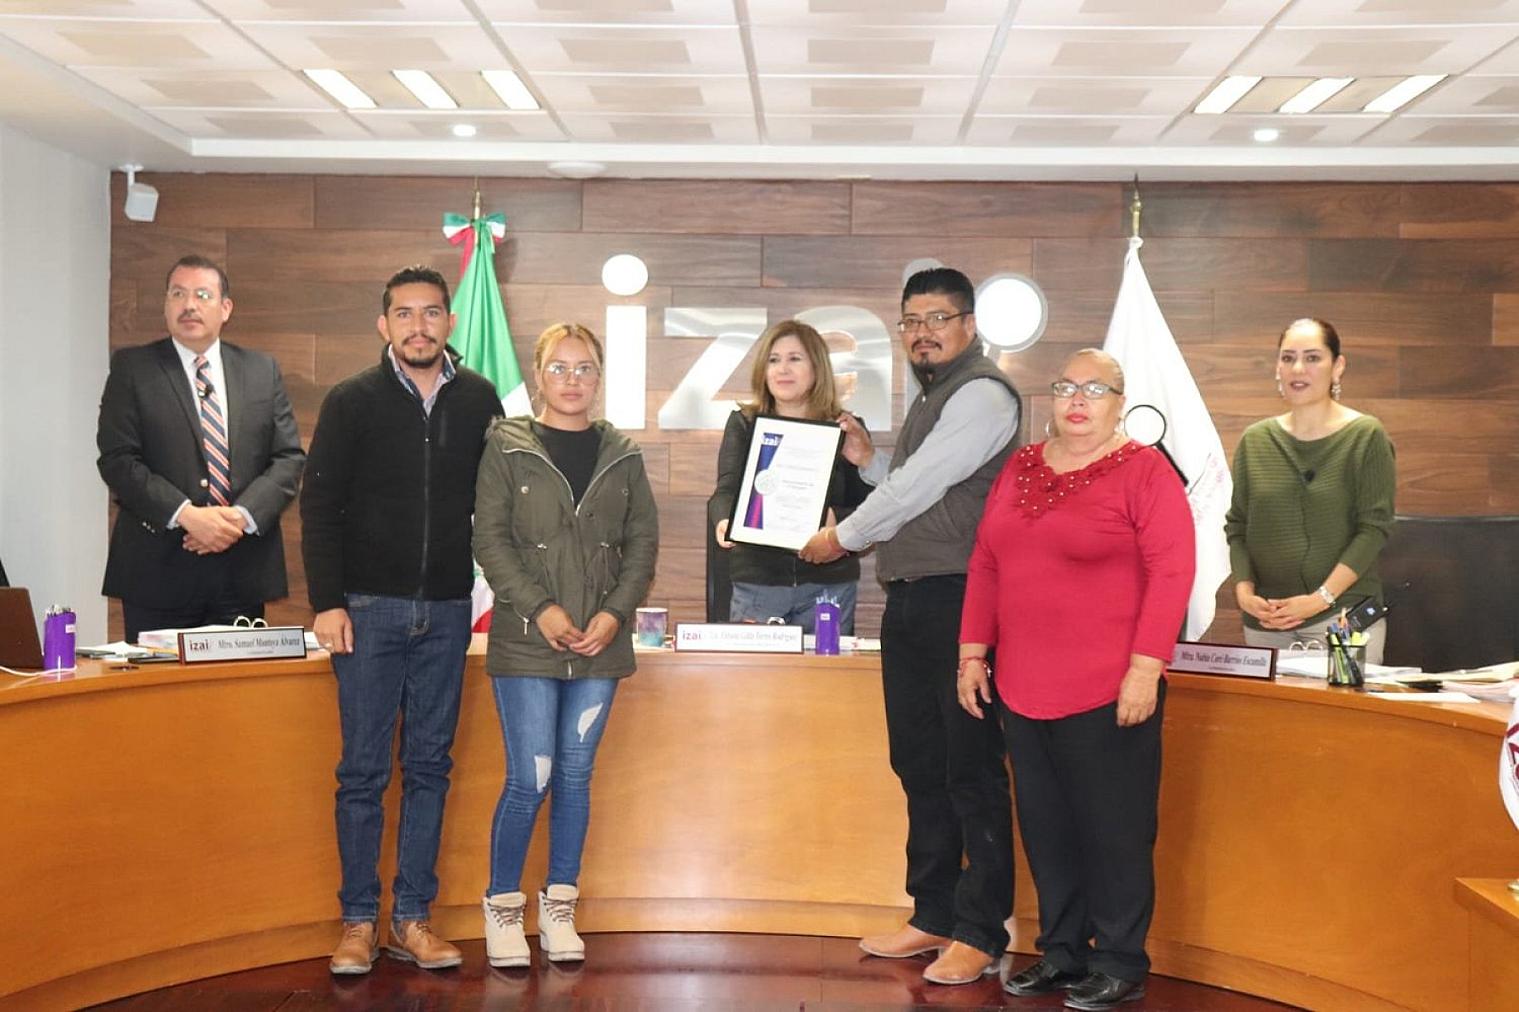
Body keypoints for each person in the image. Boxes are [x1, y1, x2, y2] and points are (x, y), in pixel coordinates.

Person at [799, 267, 1021, 985]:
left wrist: (843, 537)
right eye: (912, 322)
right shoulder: (935, 395)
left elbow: (922, 485)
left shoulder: (982, 393)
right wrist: (871, 463)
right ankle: (934, 912)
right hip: (914, 601)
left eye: (938, 319)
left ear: (969, 325)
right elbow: (925, 480)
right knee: (920, 762)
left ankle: (981, 930)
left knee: (970, 768)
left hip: (965, 604)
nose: (923, 333)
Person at [958, 349, 1194, 1011]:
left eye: (1094, 389)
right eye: (1065, 387)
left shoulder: (1145, 472)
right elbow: (985, 562)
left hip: (1110, 689)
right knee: (1047, 830)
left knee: (1114, 831)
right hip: (1022, 688)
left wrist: (1146, 667)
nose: (1078, 400)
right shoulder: (1020, 467)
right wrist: (971, 654)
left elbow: (1173, 572)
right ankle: (1061, 952)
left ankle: (1118, 961)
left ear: (1120, 402)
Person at [301, 265, 502, 975]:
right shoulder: (351, 400)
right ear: (383, 324)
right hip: (367, 610)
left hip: (447, 610)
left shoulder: (479, 399)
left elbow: (498, 502)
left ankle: (412, 919)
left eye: (431, 313)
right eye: (405, 314)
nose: (419, 326)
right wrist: (327, 601)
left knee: (429, 768)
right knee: (361, 771)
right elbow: (319, 507)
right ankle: (358, 922)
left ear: (450, 321)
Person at [472, 322, 659, 968]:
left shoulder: (623, 455)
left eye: (584, 369)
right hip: (527, 641)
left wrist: (613, 614)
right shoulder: (506, 446)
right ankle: (502, 907)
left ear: (598, 378)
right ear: (538, 375)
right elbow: (490, 540)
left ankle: (559, 908)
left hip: (599, 647)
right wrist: (542, 609)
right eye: (559, 368)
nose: (572, 380)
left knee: (575, 776)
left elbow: (642, 546)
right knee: (531, 777)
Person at [97, 254, 304, 643]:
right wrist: (187, 515)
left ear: (226, 308)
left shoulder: (261, 370)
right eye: (178, 294)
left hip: (241, 571)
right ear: (165, 305)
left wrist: (237, 519)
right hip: (157, 572)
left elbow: (288, 458)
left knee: (236, 684)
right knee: (159, 684)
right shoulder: (133, 368)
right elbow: (118, 460)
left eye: (202, 295)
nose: (189, 305)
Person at [1225, 318, 1396, 663]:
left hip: (1344, 617)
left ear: (1338, 366)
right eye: (1288, 358)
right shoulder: (1255, 440)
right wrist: (1244, 592)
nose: (1298, 369)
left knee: (1342, 701)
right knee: (1266, 704)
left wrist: (1320, 599)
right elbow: (1238, 527)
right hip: (1268, 621)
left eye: (1313, 357)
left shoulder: (1366, 435)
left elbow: (1373, 529)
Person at [709, 319, 871, 632]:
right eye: (774, 360)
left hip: (829, 584)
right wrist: (725, 520)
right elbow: (725, 491)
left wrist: (836, 518)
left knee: (826, 668)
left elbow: (870, 506)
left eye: (794, 359)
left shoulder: (847, 428)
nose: (782, 369)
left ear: (817, 368)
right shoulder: (744, 424)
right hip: (759, 582)